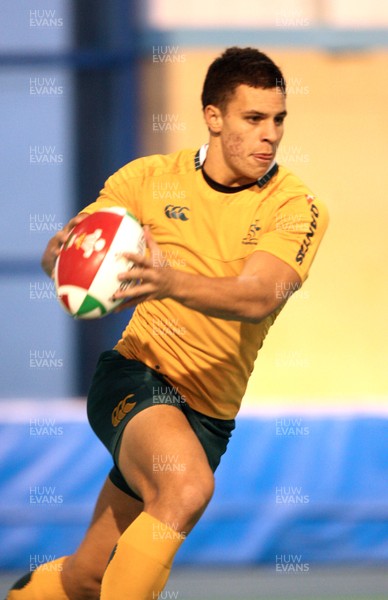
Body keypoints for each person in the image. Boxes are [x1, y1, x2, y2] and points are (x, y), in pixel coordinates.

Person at [8, 46, 328, 599]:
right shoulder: (147, 180)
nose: (269, 135)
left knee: (89, 578)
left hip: (208, 418)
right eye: (253, 119)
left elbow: (257, 297)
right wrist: (59, 260)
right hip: (136, 376)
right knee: (186, 486)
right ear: (214, 117)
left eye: (278, 120)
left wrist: (169, 280)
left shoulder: (296, 207)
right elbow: (79, 250)